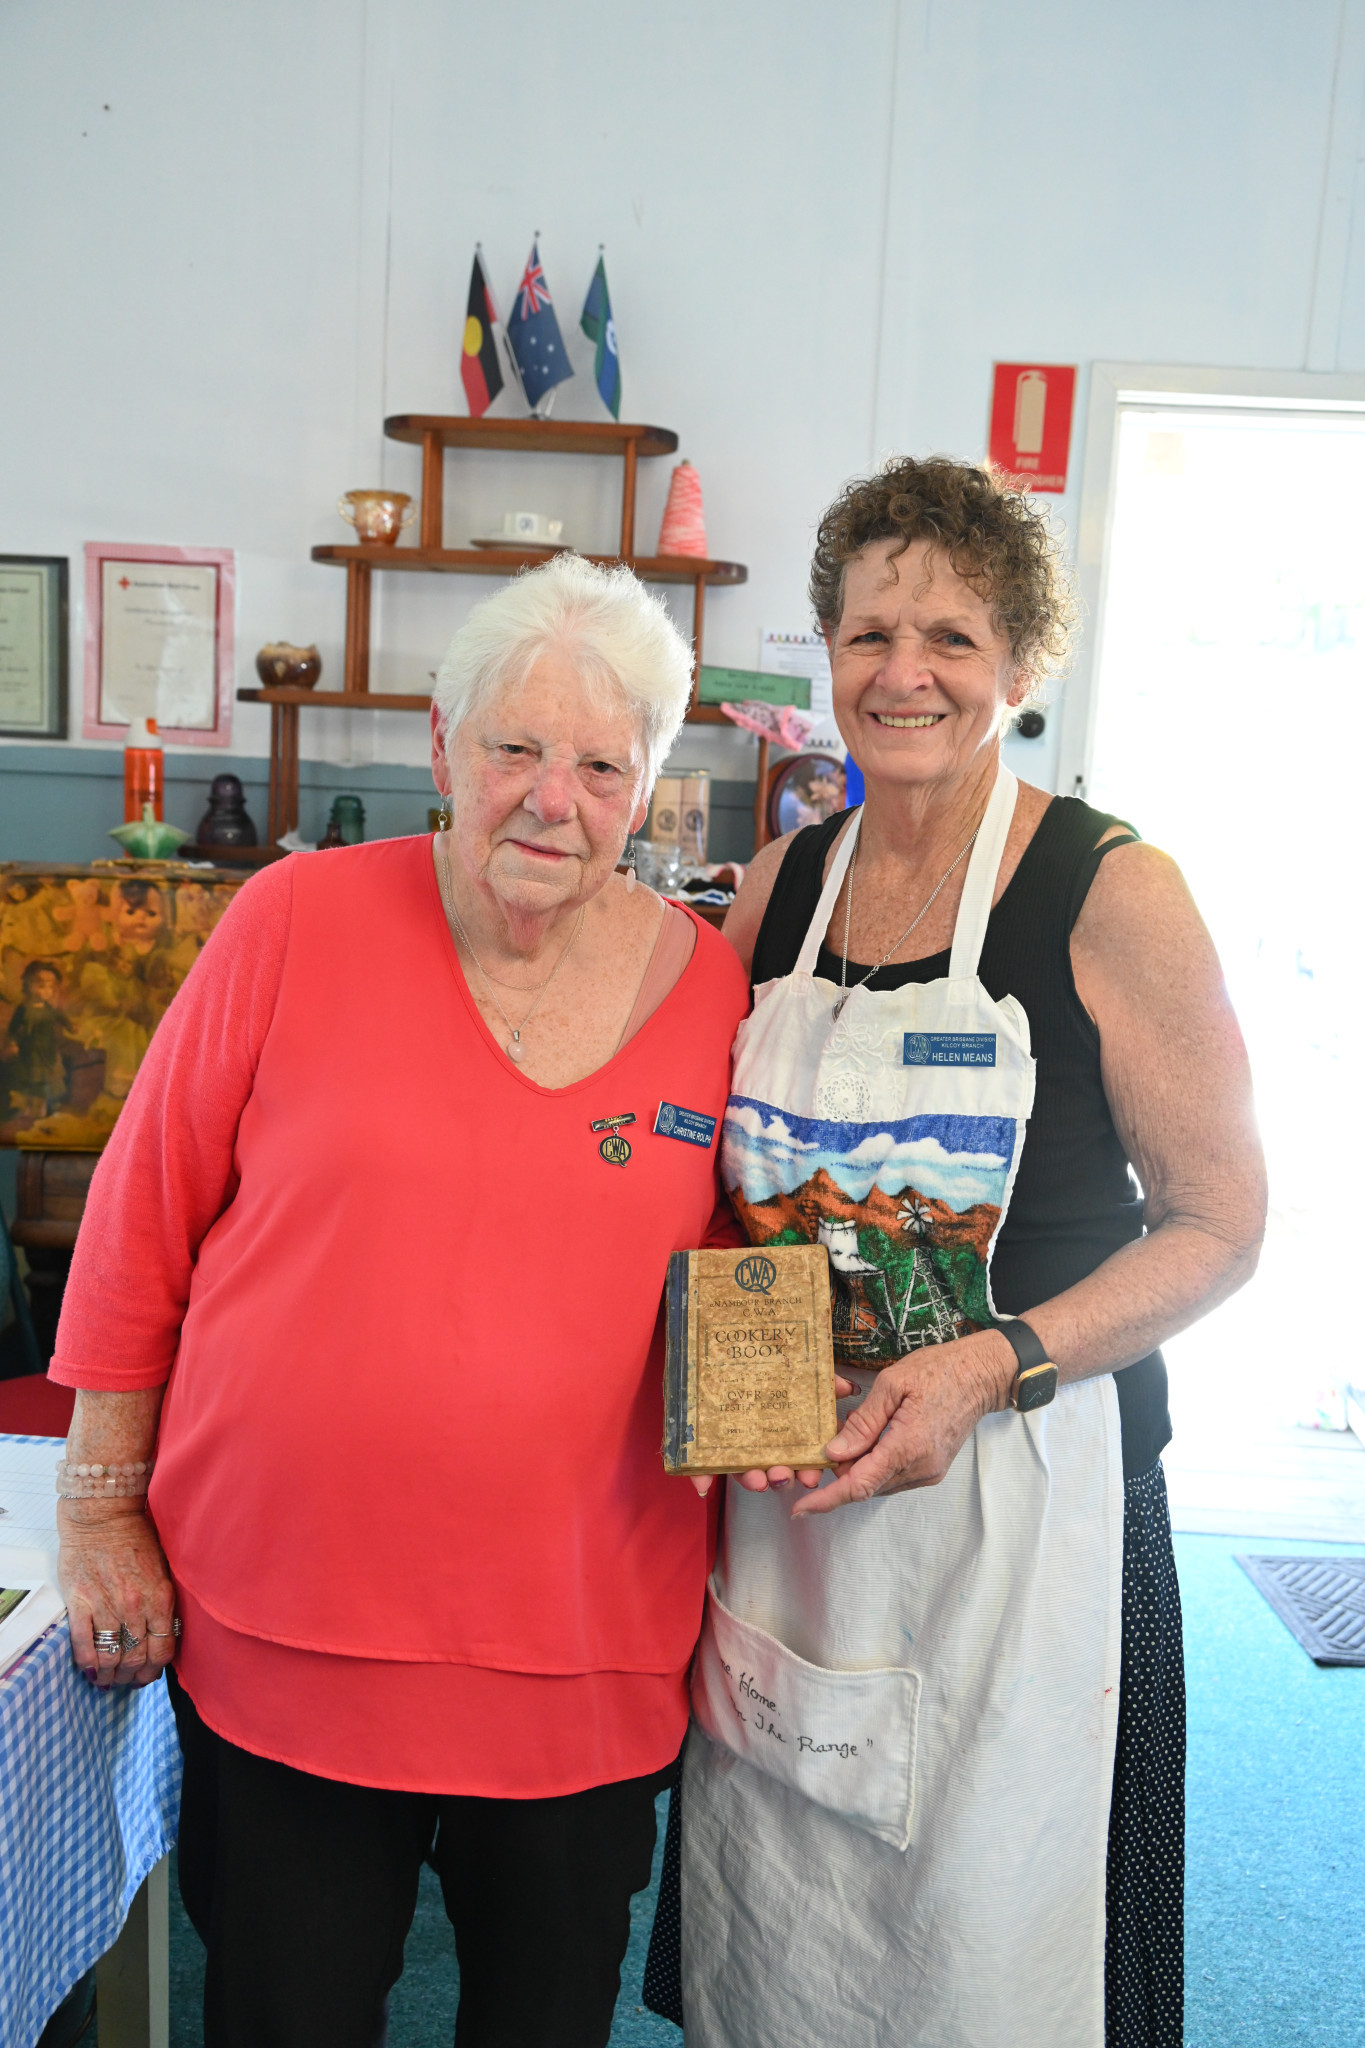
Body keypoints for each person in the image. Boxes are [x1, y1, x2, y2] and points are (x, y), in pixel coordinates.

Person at [49, 553, 750, 2048]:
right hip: (289, 1632)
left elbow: (753, 1281)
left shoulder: (713, 990)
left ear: (647, 786)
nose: (550, 797)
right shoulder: (293, 920)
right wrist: (101, 1508)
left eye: (598, 764)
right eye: (513, 748)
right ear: (443, 747)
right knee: (285, 2017)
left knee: (541, 2025)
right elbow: (138, 1223)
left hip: (583, 1647)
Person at [667, 458, 1266, 2048]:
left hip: (1026, 1495)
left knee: (994, 1945)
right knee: (786, 1882)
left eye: (949, 634)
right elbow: (706, 1178)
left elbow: (1220, 1227)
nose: (904, 672)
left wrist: (988, 1363)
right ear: (826, 654)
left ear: (1022, 663)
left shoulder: (1108, 887)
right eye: (868, 635)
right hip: (790, 1497)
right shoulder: (783, 883)